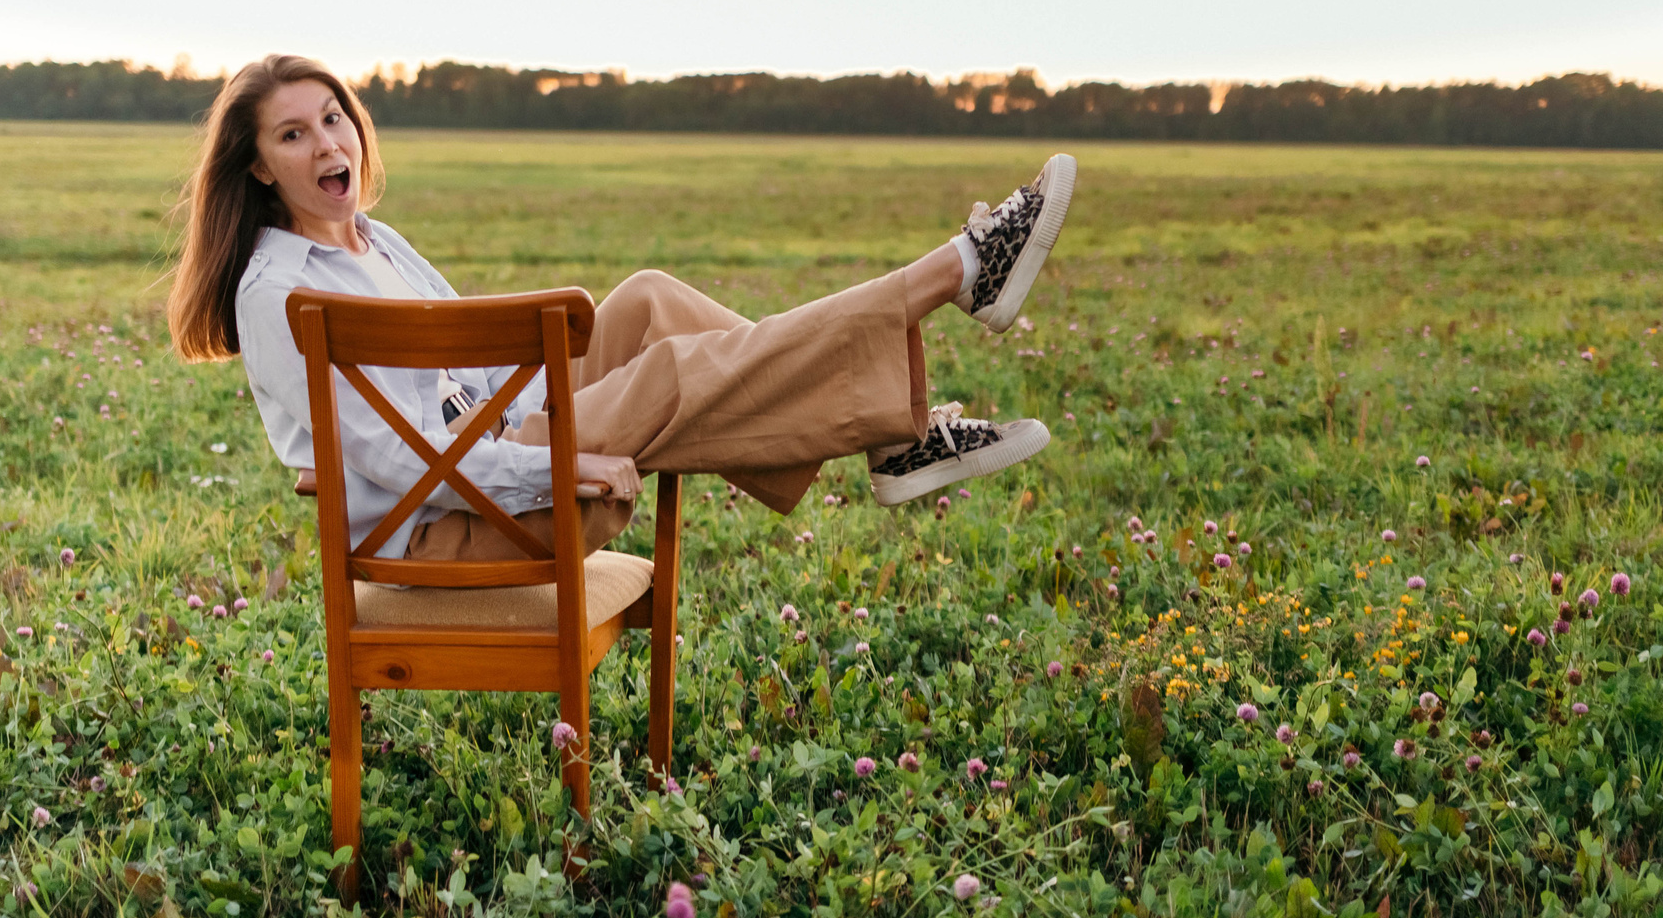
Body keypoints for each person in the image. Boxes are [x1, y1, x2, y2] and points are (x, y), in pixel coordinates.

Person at [168, 53, 1072, 565]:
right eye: (294, 134)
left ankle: (895, 438)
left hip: (490, 443)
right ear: (257, 167)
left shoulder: (375, 238)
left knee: (645, 302)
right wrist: (564, 463)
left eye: (333, 117)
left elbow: (475, 368)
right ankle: (954, 273)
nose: (329, 142)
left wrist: (537, 417)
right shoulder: (278, 294)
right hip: (458, 522)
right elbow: (401, 468)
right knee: (673, 376)